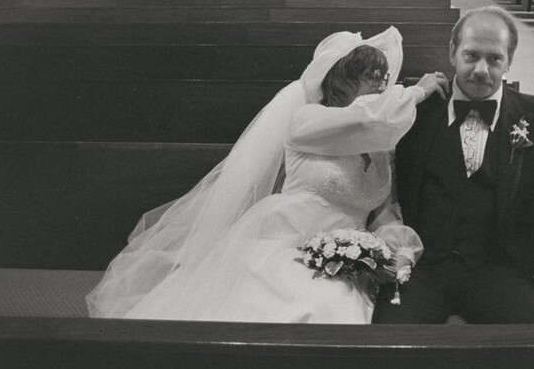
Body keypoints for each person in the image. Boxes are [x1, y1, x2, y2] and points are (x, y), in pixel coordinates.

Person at [86, 27, 448, 323]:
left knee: (339, 309)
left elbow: (383, 209)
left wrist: (389, 251)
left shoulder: (382, 142)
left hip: (345, 255)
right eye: (368, 77)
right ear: (340, 80)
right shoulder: (308, 121)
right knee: (294, 305)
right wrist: (416, 92)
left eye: (381, 78)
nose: (379, 86)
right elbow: (365, 118)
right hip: (284, 238)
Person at [373, 6, 534, 324]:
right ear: (452, 52)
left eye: (495, 58)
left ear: (509, 60)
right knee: (387, 351)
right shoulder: (415, 109)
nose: (482, 69)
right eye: (471, 56)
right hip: (417, 268)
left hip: (496, 271)